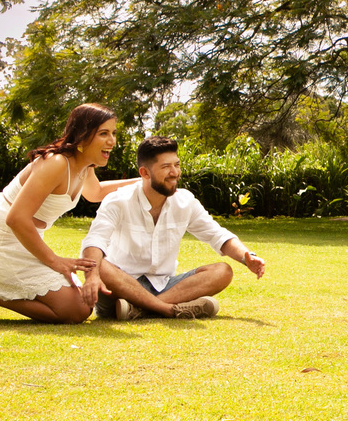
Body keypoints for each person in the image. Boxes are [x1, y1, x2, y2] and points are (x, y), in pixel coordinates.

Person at [0, 104, 140, 324]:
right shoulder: (56, 163)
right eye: (104, 133)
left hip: (25, 247)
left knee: (83, 304)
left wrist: (143, 181)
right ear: (82, 136)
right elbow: (15, 218)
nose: (112, 141)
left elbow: (95, 192)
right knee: (76, 310)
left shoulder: (83, 166)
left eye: (113, 133)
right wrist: (55, 262)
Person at [80, 135, 266, 320]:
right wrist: (92, 275)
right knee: (99, 264)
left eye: (176, 165)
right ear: (144, 173)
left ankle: (142, 310)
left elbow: (218, 236)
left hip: (164, 285)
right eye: (165, 167)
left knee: (223, 272)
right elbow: (95, 240)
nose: (174, 172)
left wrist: (246, 257)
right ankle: (168, 309)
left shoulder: (185, 201)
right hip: (120, 287)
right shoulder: (118, 201)